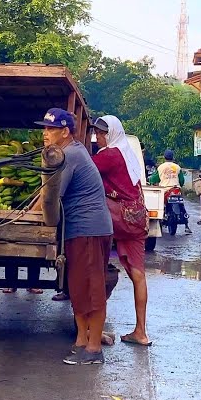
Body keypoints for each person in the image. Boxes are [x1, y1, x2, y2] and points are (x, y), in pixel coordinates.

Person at [36, 107, 112, 366]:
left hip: (89, 230)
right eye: (45, 128)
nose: (45, 133)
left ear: (65, 132)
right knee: (78, 288)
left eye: (51, 129)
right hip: (78, 230)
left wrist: (27, 212)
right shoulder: (67, 152)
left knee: (92, 289)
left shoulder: (70, 155)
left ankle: (94, 348)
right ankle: (81, 341)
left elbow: (51, 195)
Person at [91, 115, 151, 348]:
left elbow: (85, 170)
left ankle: (92, 329)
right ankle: (141, 332)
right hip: (138, 218)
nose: (97, 137)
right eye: (97, 133)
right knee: (138, 274)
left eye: (102, 133)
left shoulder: (110, 155)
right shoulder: (127, 153)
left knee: (93, 262)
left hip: (121, 215)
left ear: (112, 134)